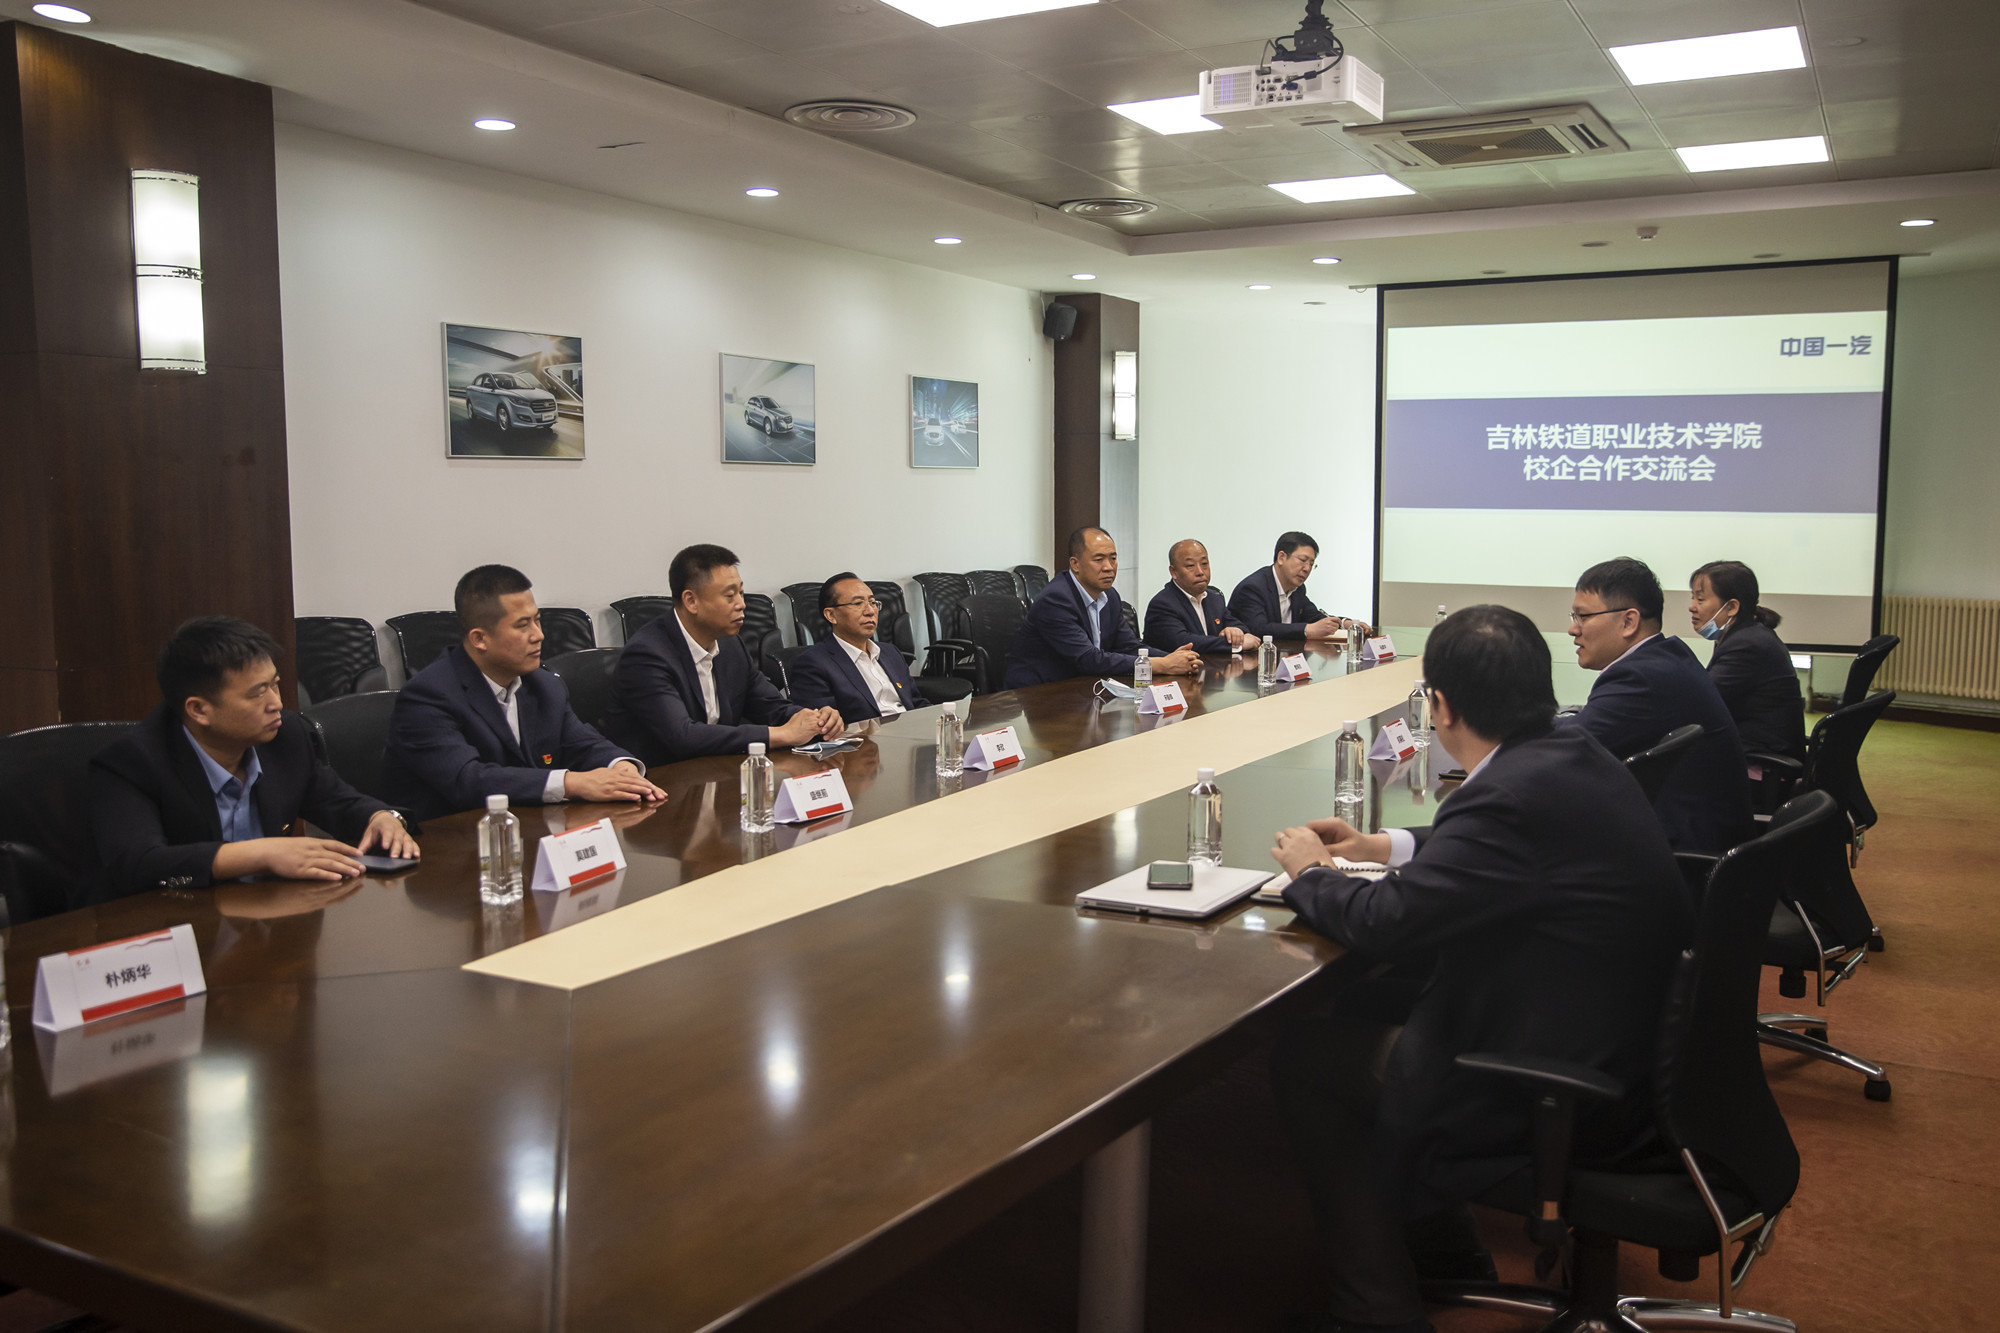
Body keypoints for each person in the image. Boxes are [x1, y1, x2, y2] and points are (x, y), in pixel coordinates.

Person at [1267, 606, 1694, 1333]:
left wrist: (1311, 873)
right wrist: (1381, 846)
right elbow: (1496, 847)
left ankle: (1376, 1314)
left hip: (1571, 1085)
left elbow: (1385, 922)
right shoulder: (1569, 750)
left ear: (1439, 706)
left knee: (1308, 1058)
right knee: (1375, 1007)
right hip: (1635, 1049)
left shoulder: (1507, 797)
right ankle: (1452, 1257)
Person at [87, 617, 420, 904]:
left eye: (275, 685)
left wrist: (381, 817)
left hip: (269, 918)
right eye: (258, 693)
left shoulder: (286, 737)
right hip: (175, 929)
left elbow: (339, 801)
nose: (277, 703)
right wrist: (260, 854)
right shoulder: (131, 762)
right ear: (199, 709)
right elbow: (138, 864)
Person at [382, 565, 664, 820]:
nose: (538, 635)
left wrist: (620, 766)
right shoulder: (428, 696)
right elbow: (469, 780)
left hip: (528, 831)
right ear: (480, 639)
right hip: (448, 843)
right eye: (522, 625)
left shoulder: (544, 685)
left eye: (537, 620)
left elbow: (583, 743)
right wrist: (572, 782)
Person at [1564, 556, 1753, 854]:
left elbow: (1568, 747)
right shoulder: (1666, 655)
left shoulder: (1640, 677)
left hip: (1686, 853)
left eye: (1583, 617)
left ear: (1629, 622)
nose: (1573, 629)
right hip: (1701, 840)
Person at [600, 544, 843, 761]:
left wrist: (814, 719)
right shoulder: (647, 655)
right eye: (729, 596)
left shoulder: (731, 645)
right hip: (659, 780)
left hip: (716, 771)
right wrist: (782, 734)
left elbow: (770, 705)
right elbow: (682, 736)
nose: (741, 604)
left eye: (741, 593)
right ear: (691, 601)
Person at [1003, 527, 1201, 689]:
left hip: (1083, 688)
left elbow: (1128, 646)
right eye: (1099, 560)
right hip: (1039, 695)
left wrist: (1174, 658)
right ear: (1075, 564)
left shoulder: (1110, 596)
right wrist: (1161, 665)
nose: (1109, 567)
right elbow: (1088, 659)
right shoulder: (1056, 599)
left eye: (1113, 558)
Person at [1690, 560, 1807, 762]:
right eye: (1692, 598)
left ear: (1732, 607)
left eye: (1700, 599)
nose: (1692, 607)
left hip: (1761, 761)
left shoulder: (1747, 645)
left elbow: (1703, 702)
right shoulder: (1743, 635)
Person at [787, 572, 928, 722]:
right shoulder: (813, 664)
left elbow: (915, 703)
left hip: (910, 730)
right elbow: (823, 725)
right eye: (858, 603)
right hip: (867, 736)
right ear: (831, 615)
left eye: (873, 603)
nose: (870, 611)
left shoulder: (890, 652)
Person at [1228, 531, 1370, 642]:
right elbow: (1259, 629)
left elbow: (1314, 616)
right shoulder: (1252, 588)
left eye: (1311, 564)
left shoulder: (1298, 589)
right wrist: (1308, 629)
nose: (1307, 569)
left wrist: (1346, 624)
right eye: (1302, 560)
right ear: (1281, 557)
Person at [1143, 538, 1261, 656]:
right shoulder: (1162, 604)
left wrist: (1236, 632)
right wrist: (1234, 645)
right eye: (1190, 566)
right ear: (1173, 572)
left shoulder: (1214, 598)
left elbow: (1238, 625)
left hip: (1213, 666)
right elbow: (1184, 642)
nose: (1200, 572)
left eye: (1204, 564)